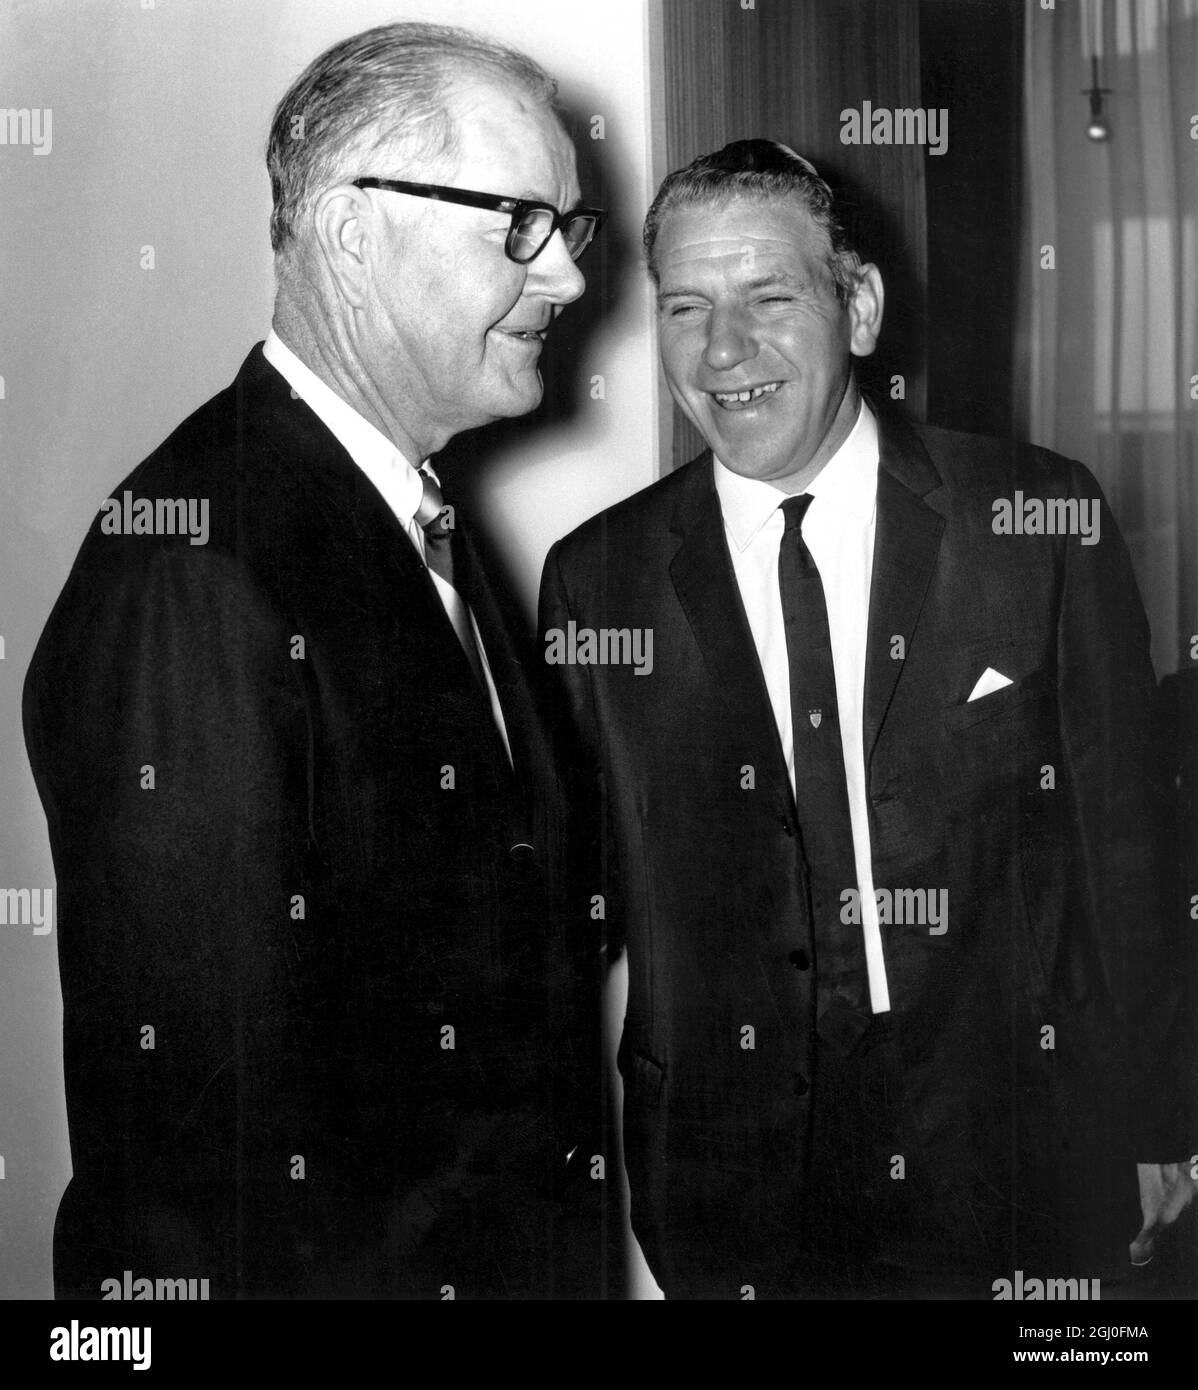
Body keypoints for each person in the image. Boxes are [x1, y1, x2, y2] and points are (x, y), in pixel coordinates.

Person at [539, 139, 1193, 1298]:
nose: (722, 350)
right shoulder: (599, 582)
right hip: (731, 1181)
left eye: (767, 297)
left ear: (860, 304)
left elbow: (1124, 850)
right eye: (686, 306)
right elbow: (568, 907)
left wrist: (1157, 1114)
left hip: (1006, 1151)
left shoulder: (1034, 521)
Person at [24, 21, 604, 1300]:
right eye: (518, 221)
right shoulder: (197, 569)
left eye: (569, 227)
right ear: (353, 232)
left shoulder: (407, 514)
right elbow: (203, 1158)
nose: (564, 277)